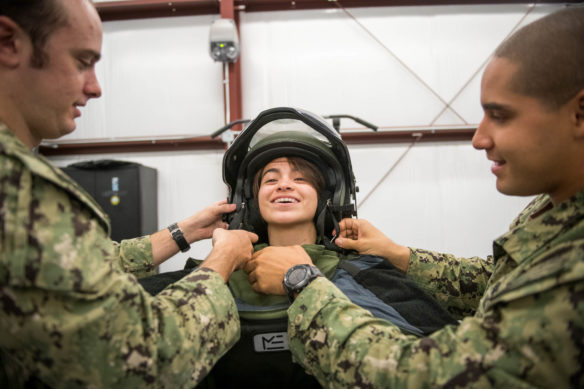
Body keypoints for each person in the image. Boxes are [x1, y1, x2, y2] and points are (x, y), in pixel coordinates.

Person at [246, 8, 584, 388]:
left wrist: (301, 282)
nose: (479, 138)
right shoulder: (552, 211)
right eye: (270, 179)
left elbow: (429, 376)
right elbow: (496, 280)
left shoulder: (368, 280)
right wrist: (399, 256)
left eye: (501, 115)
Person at [0, 0, 258, 387]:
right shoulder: (20, 188)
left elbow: (73, 269)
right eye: (82, 61)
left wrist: (183, 232)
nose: (95, 87)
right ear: (8, 42)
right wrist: (222, 260)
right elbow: (143, 362)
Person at [140, 107, 458, 388]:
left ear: (325, 200)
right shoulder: (209, 279)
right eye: (270, 179)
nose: (284, 184)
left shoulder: (367, 276)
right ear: (248, 203)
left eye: (301, 178)